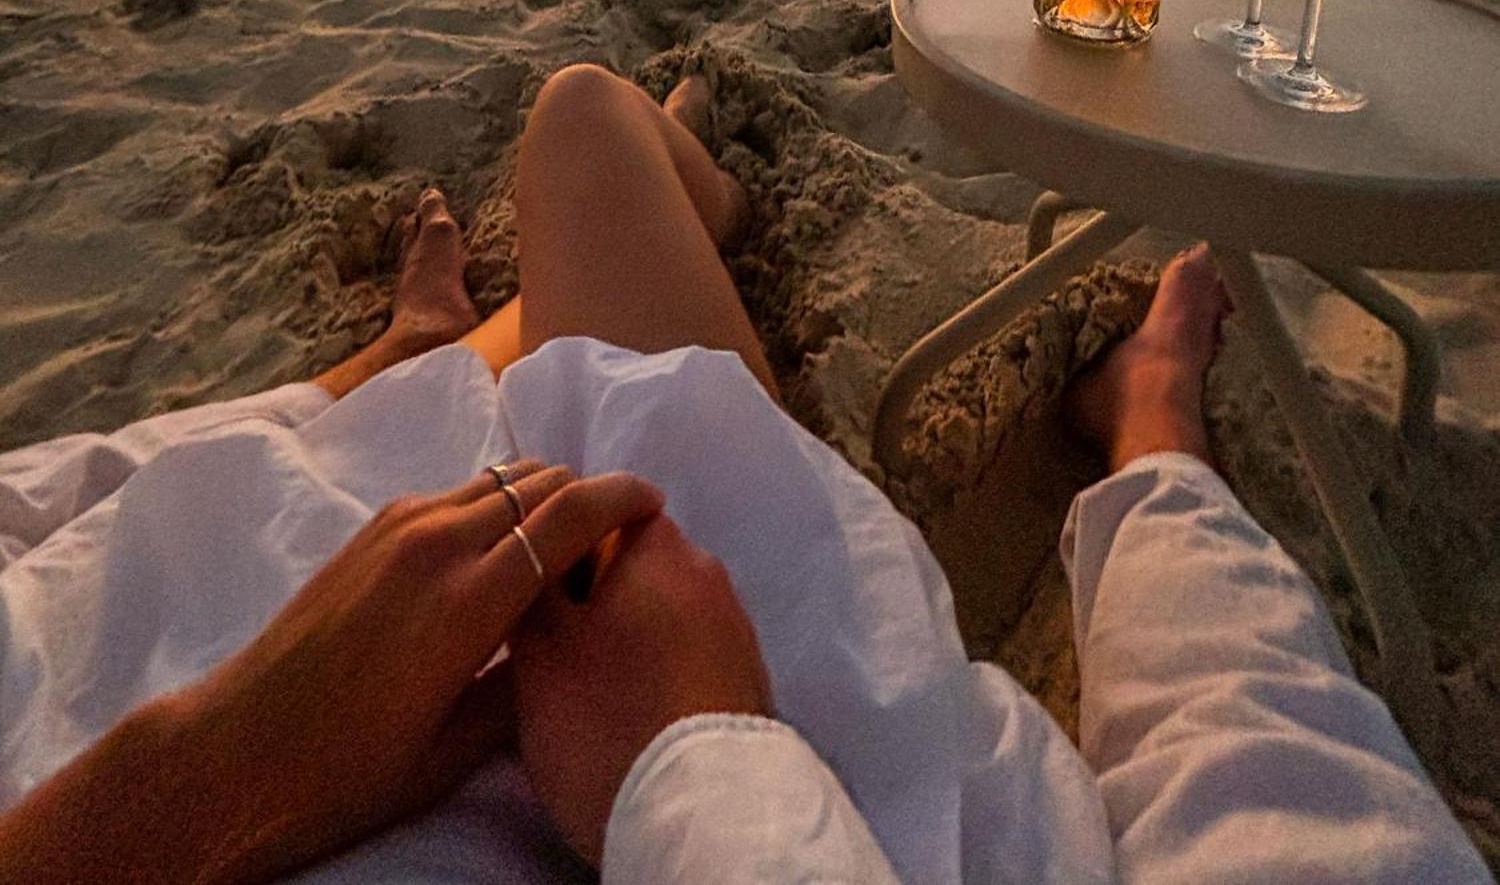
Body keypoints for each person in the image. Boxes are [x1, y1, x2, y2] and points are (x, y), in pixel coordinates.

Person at [0, 65, 1485, 884]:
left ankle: (458, 330)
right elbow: (1282, 797)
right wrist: (696, 763)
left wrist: (357, 382)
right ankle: (690, 185)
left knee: (553, 234)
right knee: (584, 121)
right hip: (634, 643)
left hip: (298, 568)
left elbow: (69, 498)